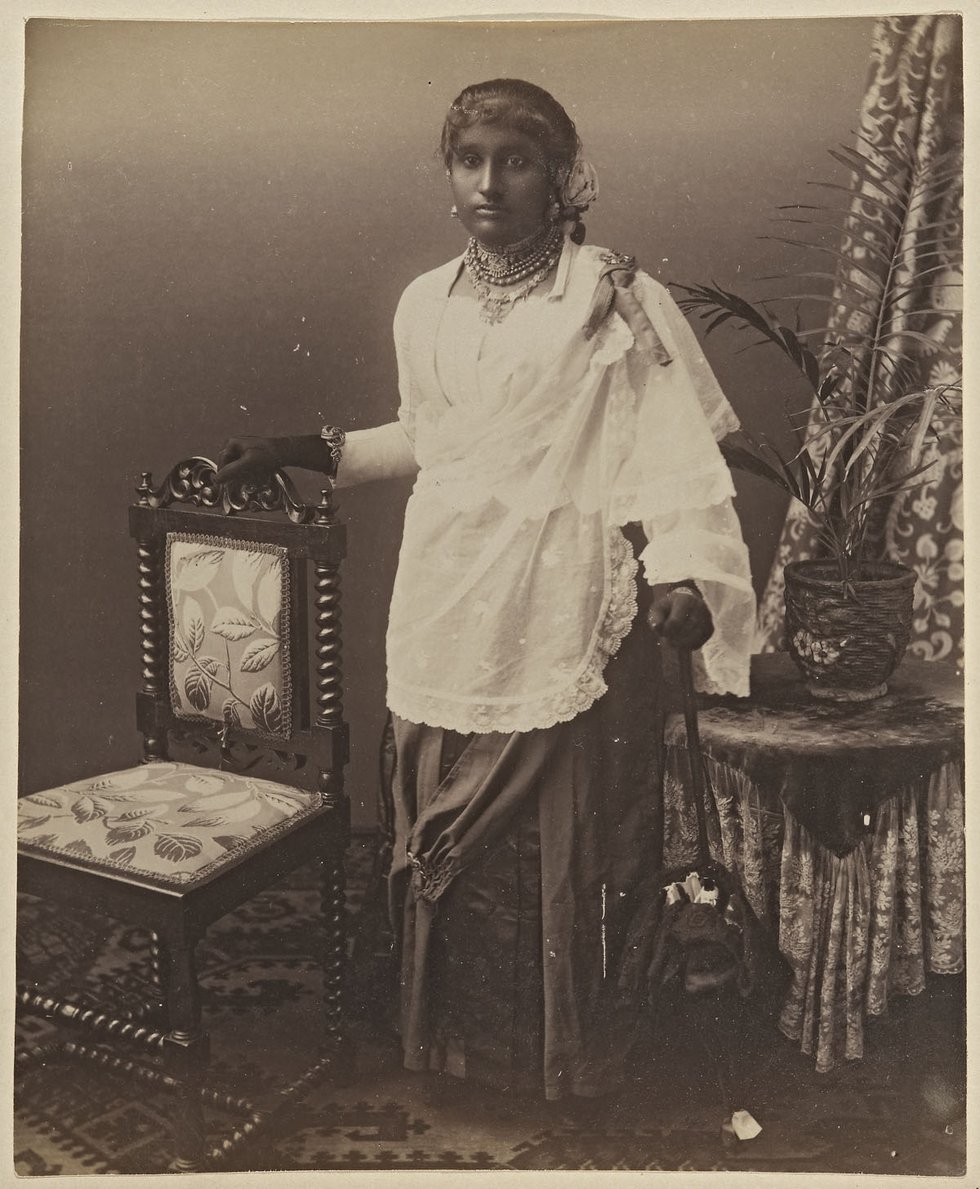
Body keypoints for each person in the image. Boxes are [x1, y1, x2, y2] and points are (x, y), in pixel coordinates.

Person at [217, 78, 755, 1104]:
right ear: (447, 173)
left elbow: (672, 447)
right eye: (468, 160)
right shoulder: (426, 299)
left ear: (561, 175)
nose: (488, 182)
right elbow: (430, 436)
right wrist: (305, 447)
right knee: (432, 810)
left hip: (559, 592)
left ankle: (554, 1058)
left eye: (514, 159)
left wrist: (679, 567)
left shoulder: (611, 293)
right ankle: (443, 1045)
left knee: (556, 831)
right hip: (446, 583)